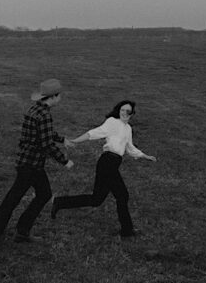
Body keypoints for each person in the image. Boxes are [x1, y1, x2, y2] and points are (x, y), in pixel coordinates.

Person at [0, 78, 75, 260]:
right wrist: (64, 160)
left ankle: (22, 231)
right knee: (11, 202)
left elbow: (45, 134)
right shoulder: (44, 115)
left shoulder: (36, 109)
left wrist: (62, 139)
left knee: (43, 194)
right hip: (30, 165)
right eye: (60, 95)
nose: (61, 98)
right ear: (54, 97)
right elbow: (46, 144)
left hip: (29, 162)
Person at [51, 99, 156, 238]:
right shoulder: (113, 122)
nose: (124, 113)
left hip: (112, 164)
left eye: (128, 111)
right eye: (122, 110)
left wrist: (144, 156)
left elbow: (130, 148)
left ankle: (60, 202)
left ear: (132, 114)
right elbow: (94, 133)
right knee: (122, 195)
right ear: (119, 110)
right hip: (107, 163)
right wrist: (75, 140)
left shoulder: (128, 128)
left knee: (96, 200)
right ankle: (127, 231)